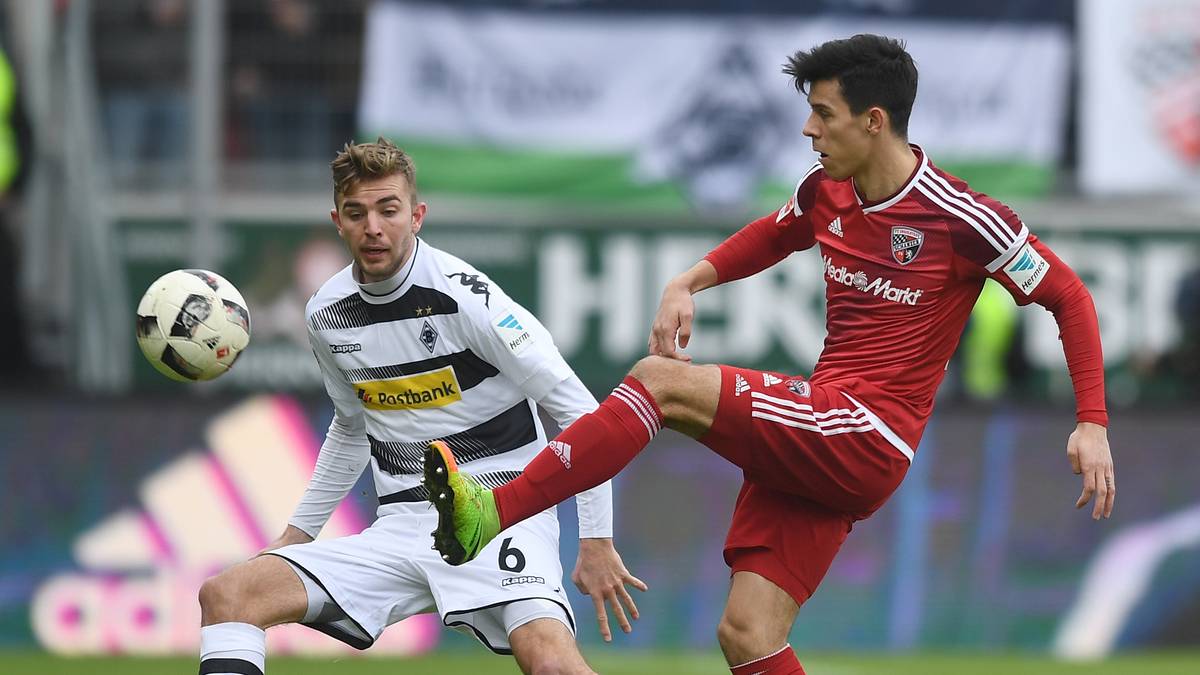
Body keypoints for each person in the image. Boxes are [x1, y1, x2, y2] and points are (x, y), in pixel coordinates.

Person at [423, 35, 1115, 675]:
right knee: (748, 633)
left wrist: (1092, 420)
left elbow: (1069, 296)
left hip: (866, 434)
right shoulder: (826, 191)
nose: (809, 129)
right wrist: (690, 278)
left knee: (659, 383)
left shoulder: (963, 216)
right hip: (825, 433)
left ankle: (493, 510)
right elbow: (773, 235)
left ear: (874, 120)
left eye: (823, 113)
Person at [197, 138, 645, 675]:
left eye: (389, 210)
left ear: (417, 215)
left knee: (550, 664)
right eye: (357, 213)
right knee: (228, 596)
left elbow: (585, 417)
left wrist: (595, 540)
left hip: (502, 511)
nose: (374, 228)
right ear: (337, 221)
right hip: (402, 525)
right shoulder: (326, 313)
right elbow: (350, 428)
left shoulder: (469, 300)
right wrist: (297, 536)